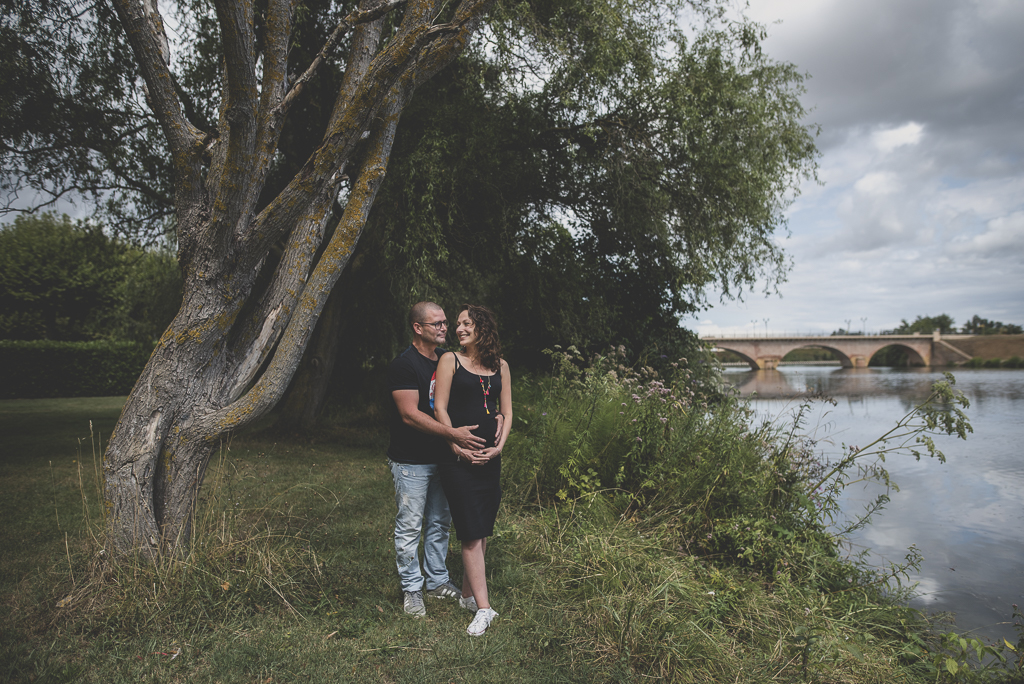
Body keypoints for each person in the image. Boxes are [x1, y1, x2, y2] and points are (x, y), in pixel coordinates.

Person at [387, 301, 487, 617]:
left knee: (440, 523)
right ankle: (412, 589)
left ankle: (437, 580)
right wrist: (453, 433)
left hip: (445, 458)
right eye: (438, 324)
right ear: (418, 328)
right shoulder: (404, 365)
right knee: (410, 525)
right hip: (411, 460)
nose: (446, 328)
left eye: (446, 322)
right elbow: (409, 414)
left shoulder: (448, 359)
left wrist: (494, 415)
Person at [433, 304, 512, 636]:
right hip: (457, 460)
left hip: (489, 460)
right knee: (469, 531)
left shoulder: (501, 366)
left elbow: (506, 412)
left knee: (481, 527)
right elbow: (439, 407)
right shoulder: (449, 360)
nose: (459, 328)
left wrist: (499, 447)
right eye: (458, 324)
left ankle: (467, 595)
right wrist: (455, 444)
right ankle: (484, 608)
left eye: (466, 323)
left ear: (482, 328)